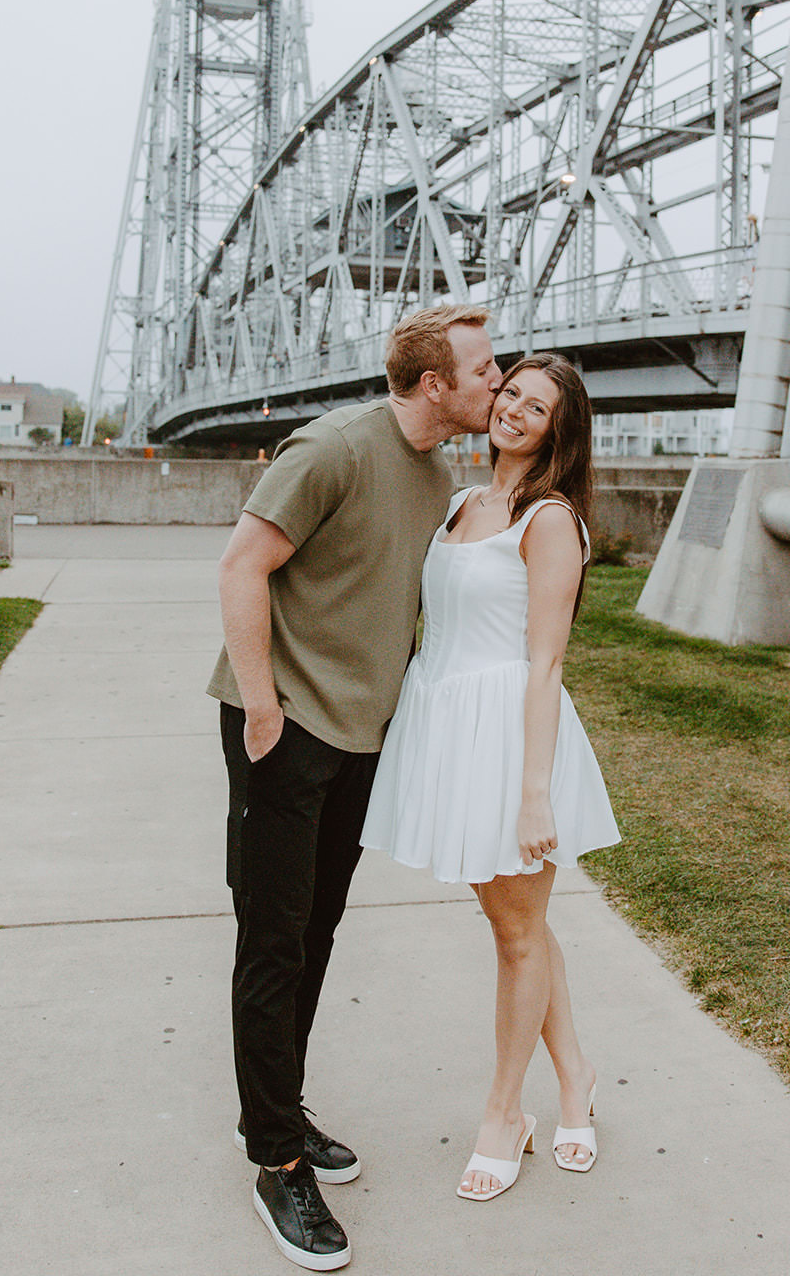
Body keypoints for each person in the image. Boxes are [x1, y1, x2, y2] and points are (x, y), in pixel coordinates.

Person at [208, 304, 502, 1271]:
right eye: (483, 368)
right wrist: (261, 710)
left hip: (358, 737)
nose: (495, 381)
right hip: (285, 725)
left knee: (316, 930)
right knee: (272, 936)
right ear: (432, 384)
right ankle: (275, 1158)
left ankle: (282, 1107)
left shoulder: (434, 470)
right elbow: (242, 565)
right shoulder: (334, 446)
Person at [361, 352, 620, 1201]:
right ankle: (577, 1075)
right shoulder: (464, 502)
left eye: (536, 407)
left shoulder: (549, 521)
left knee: (516, 935)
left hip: (507, 737)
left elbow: (544, 664)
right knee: (520, 925)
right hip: (446, 724)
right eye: (509, 392)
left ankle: (505, 1112)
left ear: (557, 431)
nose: (512, 410)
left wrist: (534, 791)